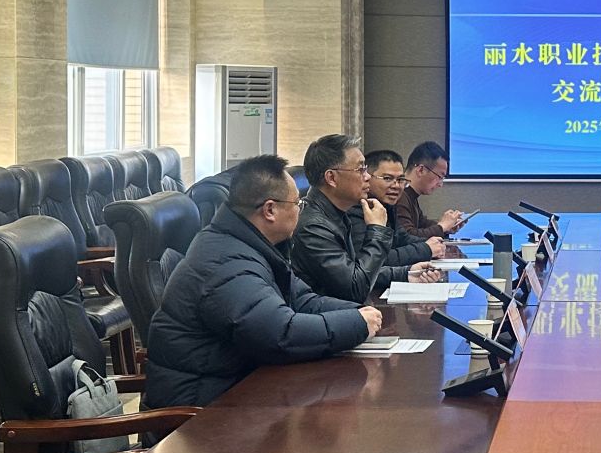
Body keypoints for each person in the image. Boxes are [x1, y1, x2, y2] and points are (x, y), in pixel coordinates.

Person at [143, 154, 381, 409]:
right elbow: (280, 334)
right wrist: (356, 324)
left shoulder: (251, 245)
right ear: (270, 210)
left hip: (234, 391)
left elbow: (302, 300)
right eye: (298, 203)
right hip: (199, 414)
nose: (300, 210)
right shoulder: (226, 262)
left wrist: (358, 312)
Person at [291, 133, 443, 301]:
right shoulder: (313, 227)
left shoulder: (336, 213)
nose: (368, 176)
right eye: (361, 169)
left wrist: (405, 273)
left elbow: (353, 270)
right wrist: (377, 230)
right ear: (331, 178)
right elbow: (356, 287)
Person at [366, 148, 453, 275]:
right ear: (366, 178)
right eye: (387, 178)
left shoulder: (388, 205)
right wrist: (427, 247)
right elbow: (375, 260)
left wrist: (433, 243)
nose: (396, 186)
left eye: (401, 180)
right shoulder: (361, 208)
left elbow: (403, 237)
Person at [394, 140, 467, 240]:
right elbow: (407, 236)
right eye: (439, 176)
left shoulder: (410, 194)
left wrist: (447, 226)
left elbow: (421, 224)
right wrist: (442, 227)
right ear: (421, 170)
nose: (440, 184)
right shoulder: (398, 195)